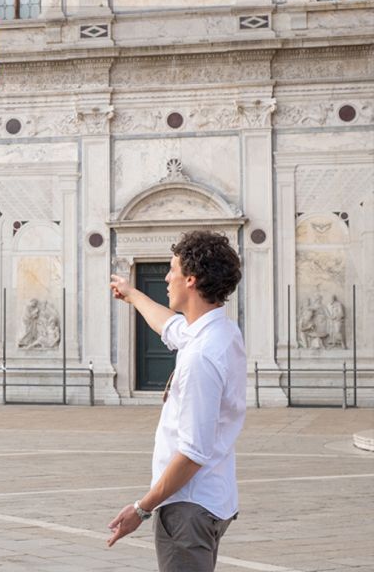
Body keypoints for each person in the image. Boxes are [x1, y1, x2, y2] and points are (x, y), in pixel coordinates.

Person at [107, 230, 245, 572]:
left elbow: (192, 453)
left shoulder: (201, 356)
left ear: (191, 280)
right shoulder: (221, 332)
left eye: (172, 270)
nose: (166, 278)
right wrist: (132, 294)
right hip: (210, 499)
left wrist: (142, 508)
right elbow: (170, 327)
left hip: (187, 507)